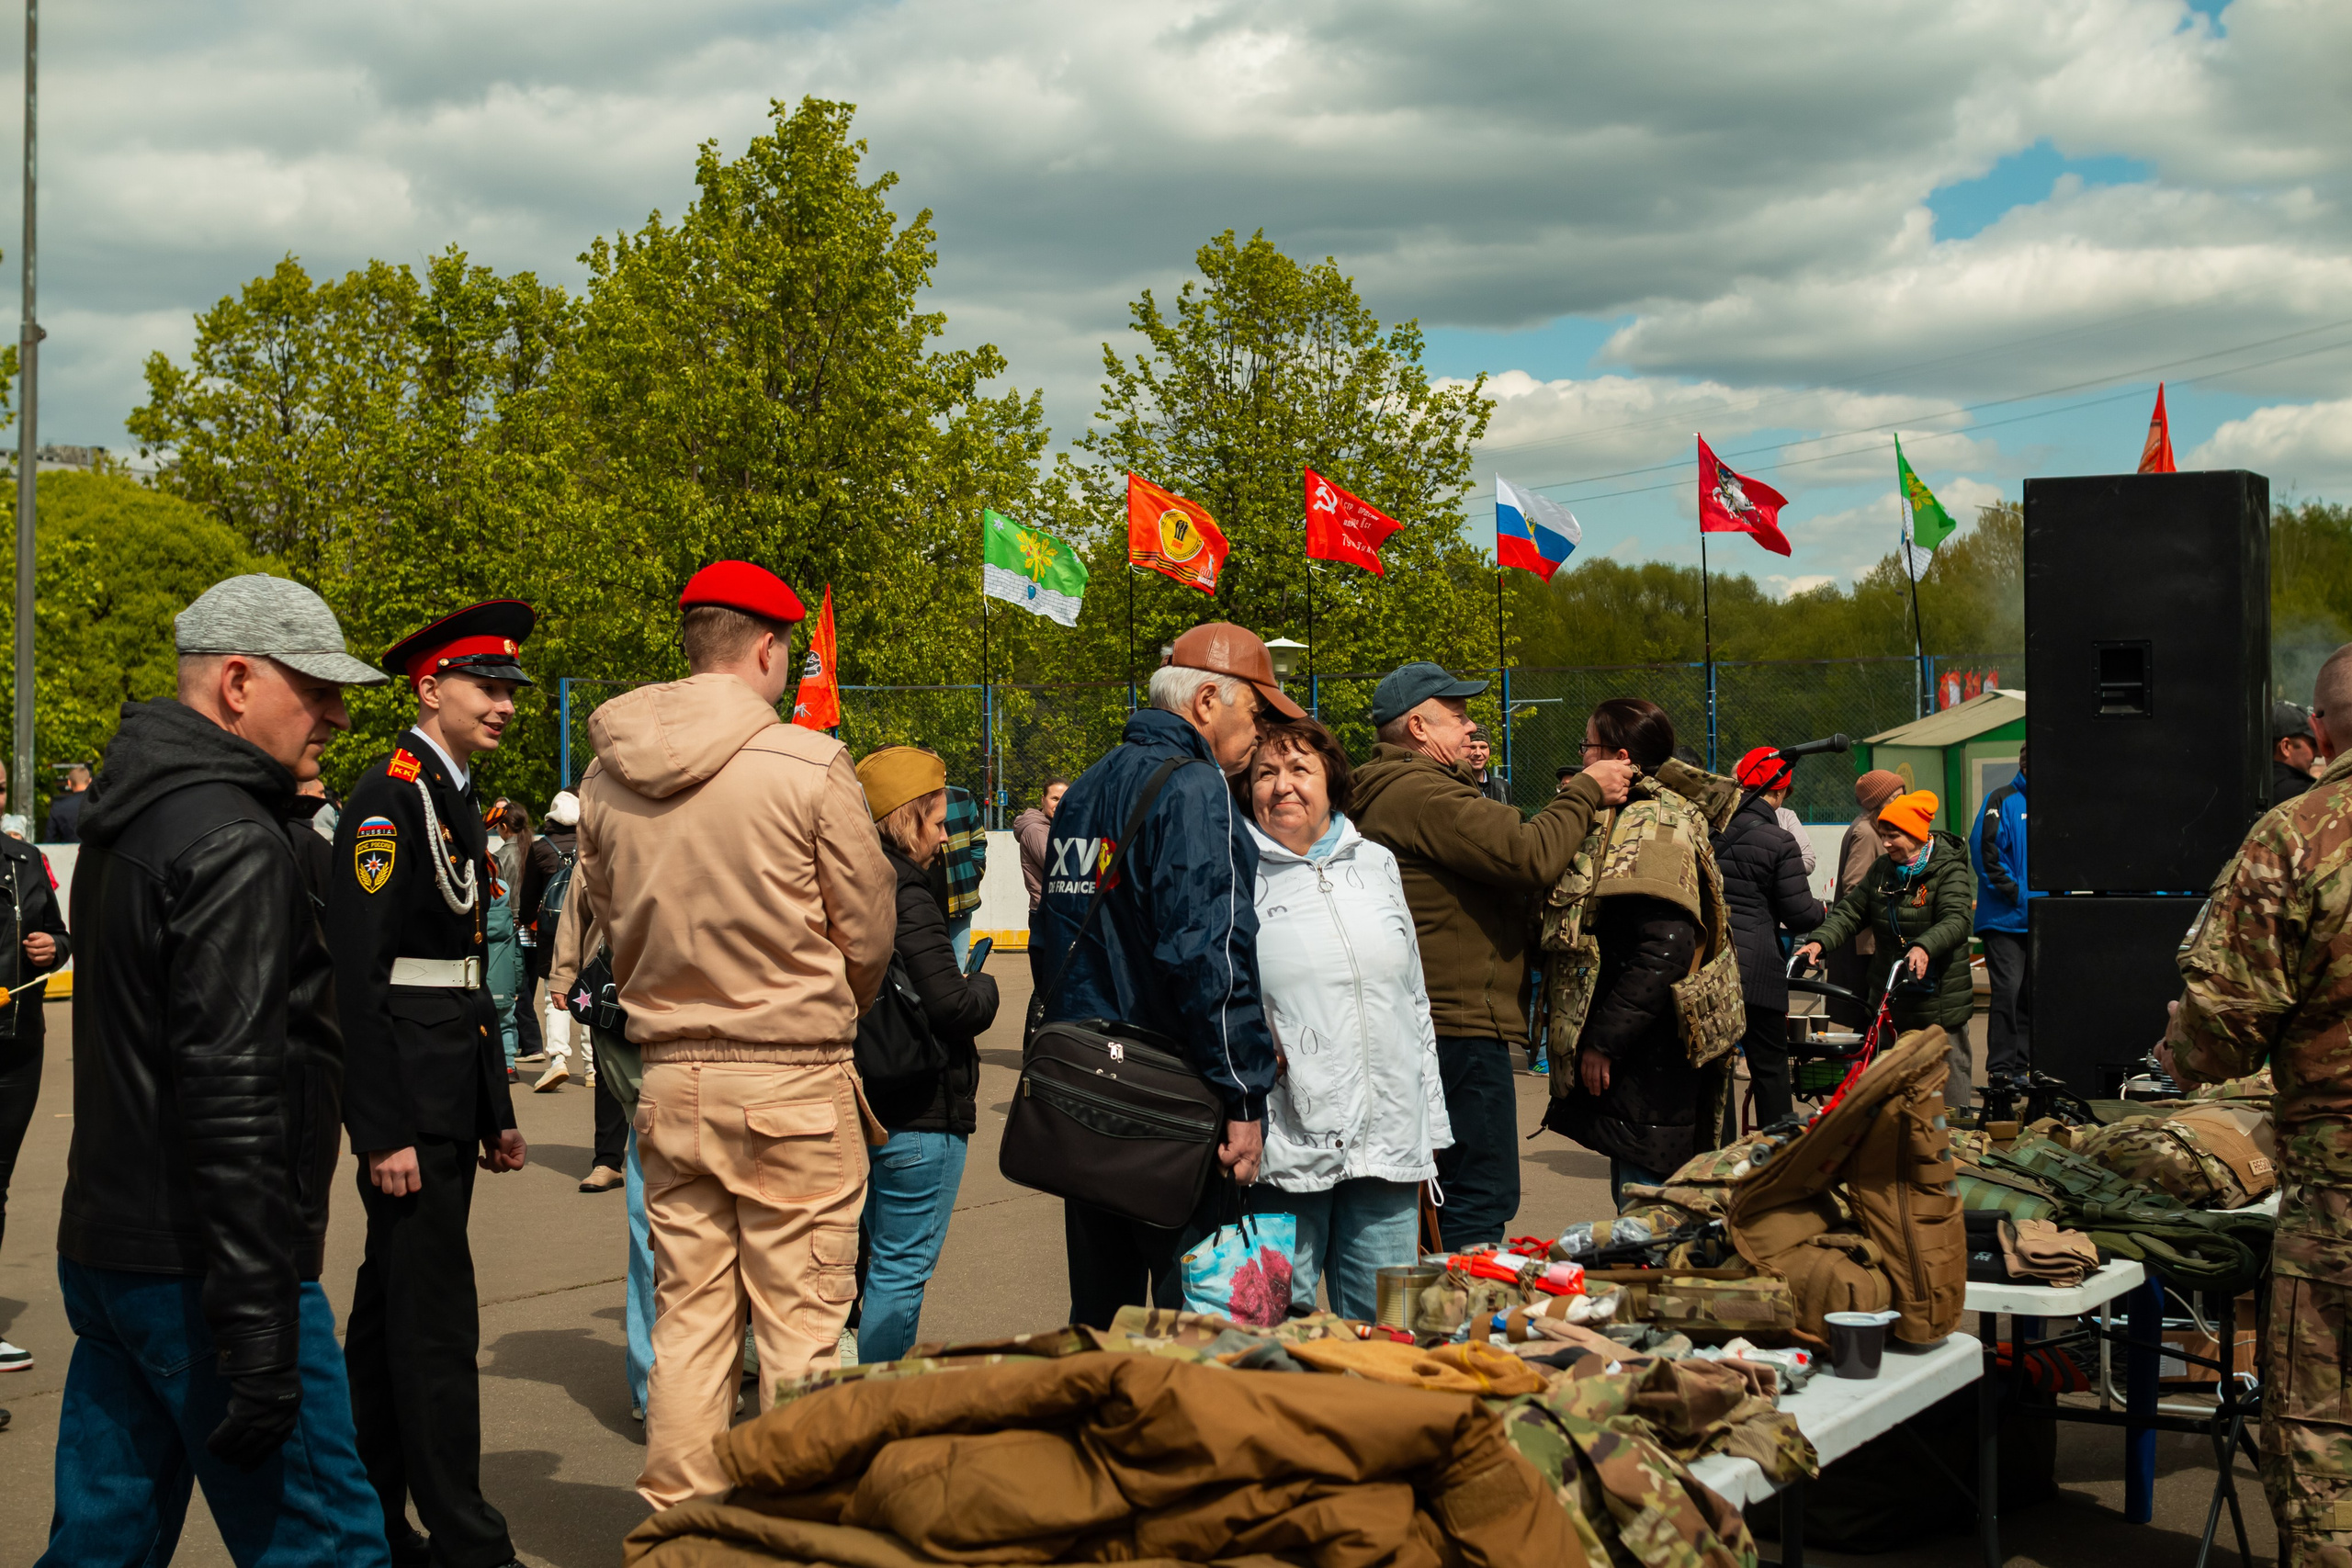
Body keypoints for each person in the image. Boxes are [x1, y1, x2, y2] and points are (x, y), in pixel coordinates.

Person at [43, 575, 387, 1567]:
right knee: (330, 1544)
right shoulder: (233, 834)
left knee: (104, 1541)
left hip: (114, 1248)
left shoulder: (133, 814)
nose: (336, 713)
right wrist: (258, 1327)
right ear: (237, 682)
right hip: (210, 1269)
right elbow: (234, 1089)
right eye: (314, 687)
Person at [574, 560, 894, 1510]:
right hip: (792, 1075)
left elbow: (603, 912)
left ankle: (678, 1535)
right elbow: (868, 930)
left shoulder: (604, 773)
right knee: (801, 1335)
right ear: (766, 648)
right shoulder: (805, 763)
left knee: (690, 1329)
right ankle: (800, 1535)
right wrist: (832, 999)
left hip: (669, 1074)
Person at [330, 599, 534, 1568]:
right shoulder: (388, 800)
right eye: (487, 688)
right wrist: (381, 1130)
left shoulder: (450, 794)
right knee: (436, 1330)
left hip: (449, 1090)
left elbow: (463, 980)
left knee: (386, 1325)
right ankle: (465, 1537)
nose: (504, 705)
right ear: (430, 688)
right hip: (411, 1104)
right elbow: (358, 983)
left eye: (509, 691)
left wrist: (496, 1109)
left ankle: (371, 1520)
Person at [1031, 621, 1295, 1326]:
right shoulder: (1194, 787)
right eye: (1256, 711)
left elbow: (1051, 937)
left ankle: (1098, 1433)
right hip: (1171, 1105)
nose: (1261, 732)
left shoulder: (1088, 784)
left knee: (1099, 1314)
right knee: (1198, 1323)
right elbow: (1206, 952)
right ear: (1207, 700)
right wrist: (1242, 1094)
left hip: (1087, 1091)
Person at [2158, 644, 2351, 1565]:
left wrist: (2178, 1043)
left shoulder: (2297, 835)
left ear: (2315, 733)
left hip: (2338, 1197)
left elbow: (2223, 1032)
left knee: (2319, 1433)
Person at [1350, 661, 1636, 1247]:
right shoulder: (1424, 794)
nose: (1470, 726)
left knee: (1435, 1190)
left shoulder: (1394, 789)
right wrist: (1584, 791)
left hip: (1428, 1016)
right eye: (1456, 716)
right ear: (1417, 728)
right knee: (1480, 1190)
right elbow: (1527, 854)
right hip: (1458, 1021)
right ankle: (1461, 1321)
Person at [1241, 717, 1451, 1317]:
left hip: (1388, 1146)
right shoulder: (1234, 872)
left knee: (1393, 1331)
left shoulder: (1378, 863)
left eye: (1299, 769)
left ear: (1331, 781)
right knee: (1266, 1334)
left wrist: (1429, 1127)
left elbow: (1414, 998)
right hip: (1281, 1153)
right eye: (1265, 773)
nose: (1281, 785)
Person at [1542, 700, 1729, 1204]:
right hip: (1644, 1060)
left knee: (1643, 1216)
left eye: (1588, 746)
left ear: (1619, 756)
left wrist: (1605, 1041)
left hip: (1648, 1063)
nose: (1581, 756)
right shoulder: (1635, 816)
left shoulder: (1651, 825)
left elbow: (1665, 948)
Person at [853, 747, 999, 1362]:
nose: (945, 837)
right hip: (920, 1110)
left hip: (870, 1100)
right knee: (900, 1267)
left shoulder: (853, 882)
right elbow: (952, 1006)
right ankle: (878, 1405)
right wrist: (982, 985)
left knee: (869, 1260)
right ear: (907, 817)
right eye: (938, 822)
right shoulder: (907, 893)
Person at [1792, 788, 1977, 1108]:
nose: (1887, 843)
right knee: (1888, 1091)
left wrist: (1924, 947)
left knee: (1947, 1088)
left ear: (1916, 834)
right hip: (1891, 999)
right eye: (1883, 835)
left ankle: (1954, 1148)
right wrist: (1818, 941)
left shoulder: (1949, 870)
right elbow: (1851, 911)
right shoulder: (1882, 870)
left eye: (1893, 836)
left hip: (1939, 1002)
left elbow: (1957, 919)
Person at [0, 755, 74, 1384]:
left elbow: (61, 935)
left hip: (17, 1043)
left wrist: (54, 945)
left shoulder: (23, 862)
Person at [1715, 748, 1826, 1129]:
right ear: (1779, 793)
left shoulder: (1707, 831)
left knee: (1716, 1068)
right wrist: (1822, 912)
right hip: (1759, 970)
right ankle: (1774, 1153)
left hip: (1711, 964)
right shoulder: (1779, 841)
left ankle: (1720, 1155)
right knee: (1769, 1067)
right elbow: (1799, 913)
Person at [1970, 745, 2035, 1083]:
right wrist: (2019, 896)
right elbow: (1985, 854)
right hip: (2005, 920)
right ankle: (2001, 1069)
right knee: (2008, 994)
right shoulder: (2001, 799)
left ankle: (2022, 1068)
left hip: (2040, 919)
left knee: (2030, 995)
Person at [1824, 769, 1905, 1027]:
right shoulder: (1866, 833)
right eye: (1896, 797)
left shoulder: (1873, 829)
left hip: (1868, 942)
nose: (1902, 802)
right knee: (1865, 1019)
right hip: (1864, 946)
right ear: (1879, 803)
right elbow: (1854, 888)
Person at [938, 783, 986, 967]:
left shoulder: (961, 797)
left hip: (962, 900)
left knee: (958, 966)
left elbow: (978, 840)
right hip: (932, 903)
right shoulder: (913, 801)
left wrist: (975, 872)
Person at [1012, 777, 1069, 911]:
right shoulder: (1035, 830)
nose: (1060, 804)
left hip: (1059, 909)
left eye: (1065, 799)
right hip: (1047, 912)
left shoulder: (1059, 826)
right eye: (1055, 799)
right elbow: (1060, 866)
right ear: (1043, 800)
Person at [2274, 700, 2323, 807]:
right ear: (2285, 747)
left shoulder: (2254, 788)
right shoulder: (2301, 794)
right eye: (2313, 745)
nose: (2319, 754)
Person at [41, 761, 89, 841]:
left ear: (69, 783)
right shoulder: (100, 803)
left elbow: (49, 840)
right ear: (90, 781)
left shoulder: (58, 807)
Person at [1463, 725, 1510, 804]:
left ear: (1489, 751)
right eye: (1472, 747)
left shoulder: (1502, 787)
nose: (1477, 753)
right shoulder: (1453, 786)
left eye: (1483, 747)